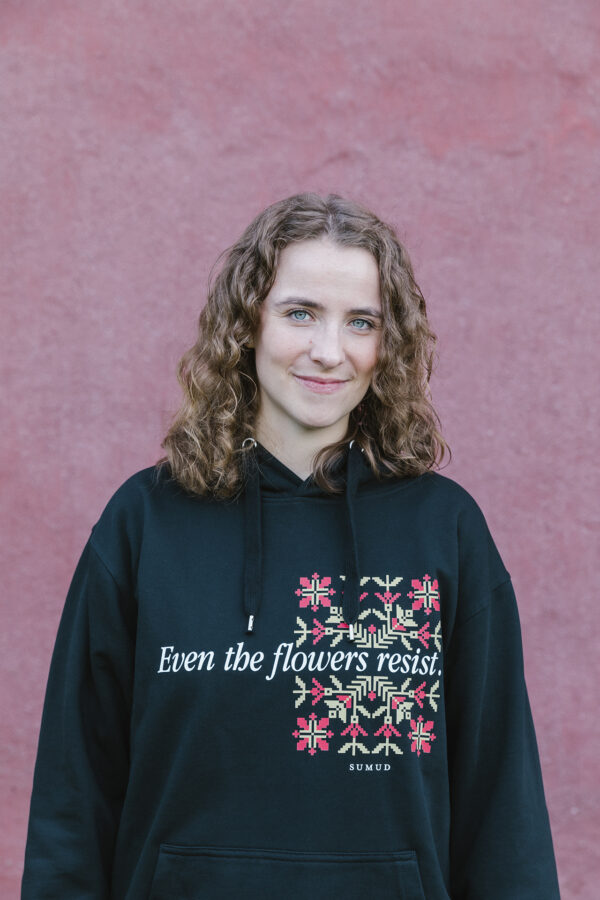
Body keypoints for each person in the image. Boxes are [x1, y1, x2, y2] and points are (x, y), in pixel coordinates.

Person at [21, 192, 561, 899]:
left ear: (385, 345)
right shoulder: (144, 524)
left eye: (359, 322)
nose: (328, 351)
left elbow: (502, 808)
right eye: (300, 313)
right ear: (248, 323)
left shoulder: (444, 530)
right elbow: (74, 796)